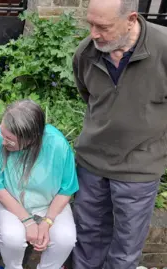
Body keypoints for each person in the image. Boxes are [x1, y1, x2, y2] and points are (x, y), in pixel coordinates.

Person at [71, 0, 167, 268]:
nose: (93, 33)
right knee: (87, 238)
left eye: (102, 26)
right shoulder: (86, 53)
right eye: (89, 24)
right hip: (92, 163)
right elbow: (88, 96)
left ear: (131, 19)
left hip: (139, 167)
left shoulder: (163, 48)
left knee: (125, 248)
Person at [0, 99, 78, 269]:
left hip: (48, 201)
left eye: (10, 140)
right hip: (8, 199)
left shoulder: (58, 145)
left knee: (66, 238)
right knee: (12, 238)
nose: (3, 141)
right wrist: (28, 221)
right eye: (3, 134)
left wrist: (47, 222)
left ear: (31, 139)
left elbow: (66, 189)